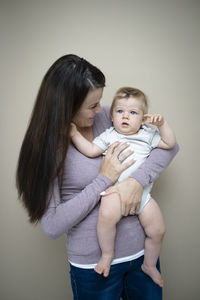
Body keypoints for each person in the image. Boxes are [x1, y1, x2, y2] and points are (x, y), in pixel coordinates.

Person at [16, 54, 179, 300]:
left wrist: (136, 181)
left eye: (100, 102)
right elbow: (52, 225)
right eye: (92, 106)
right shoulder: (47, 149)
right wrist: (104, 179)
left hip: (141, 256)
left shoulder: (111, 117)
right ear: (67, 106)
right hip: (95, 269)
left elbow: (169, 147)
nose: (100, 111)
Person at [70, 87, 176, 287]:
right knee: (106, 218)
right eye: (120, 111)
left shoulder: (148, 134)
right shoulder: (110, 135)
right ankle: (107, 254)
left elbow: (170, 143)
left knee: (158, 230)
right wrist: (75, 134)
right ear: (111, 117)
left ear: (143, 119)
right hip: (115, 191)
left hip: (143, 195)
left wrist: (162, 125)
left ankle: (150, 265)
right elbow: (91, 150)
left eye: (133, 113)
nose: (125, 116)